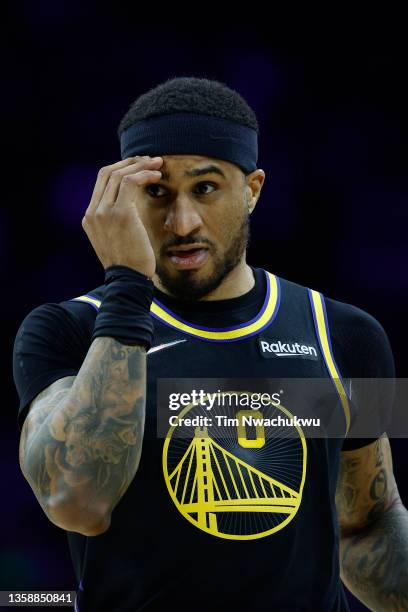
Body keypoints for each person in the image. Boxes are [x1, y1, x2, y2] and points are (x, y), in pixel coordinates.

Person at [13, 77, 408, 612]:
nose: (183, 222)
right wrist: (127, 288)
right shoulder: (68, 330)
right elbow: (77, 501)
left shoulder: (348, 334)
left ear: (253, 189)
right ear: (122, 200)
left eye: (205, 188)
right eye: (156, 192)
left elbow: (368, 524)